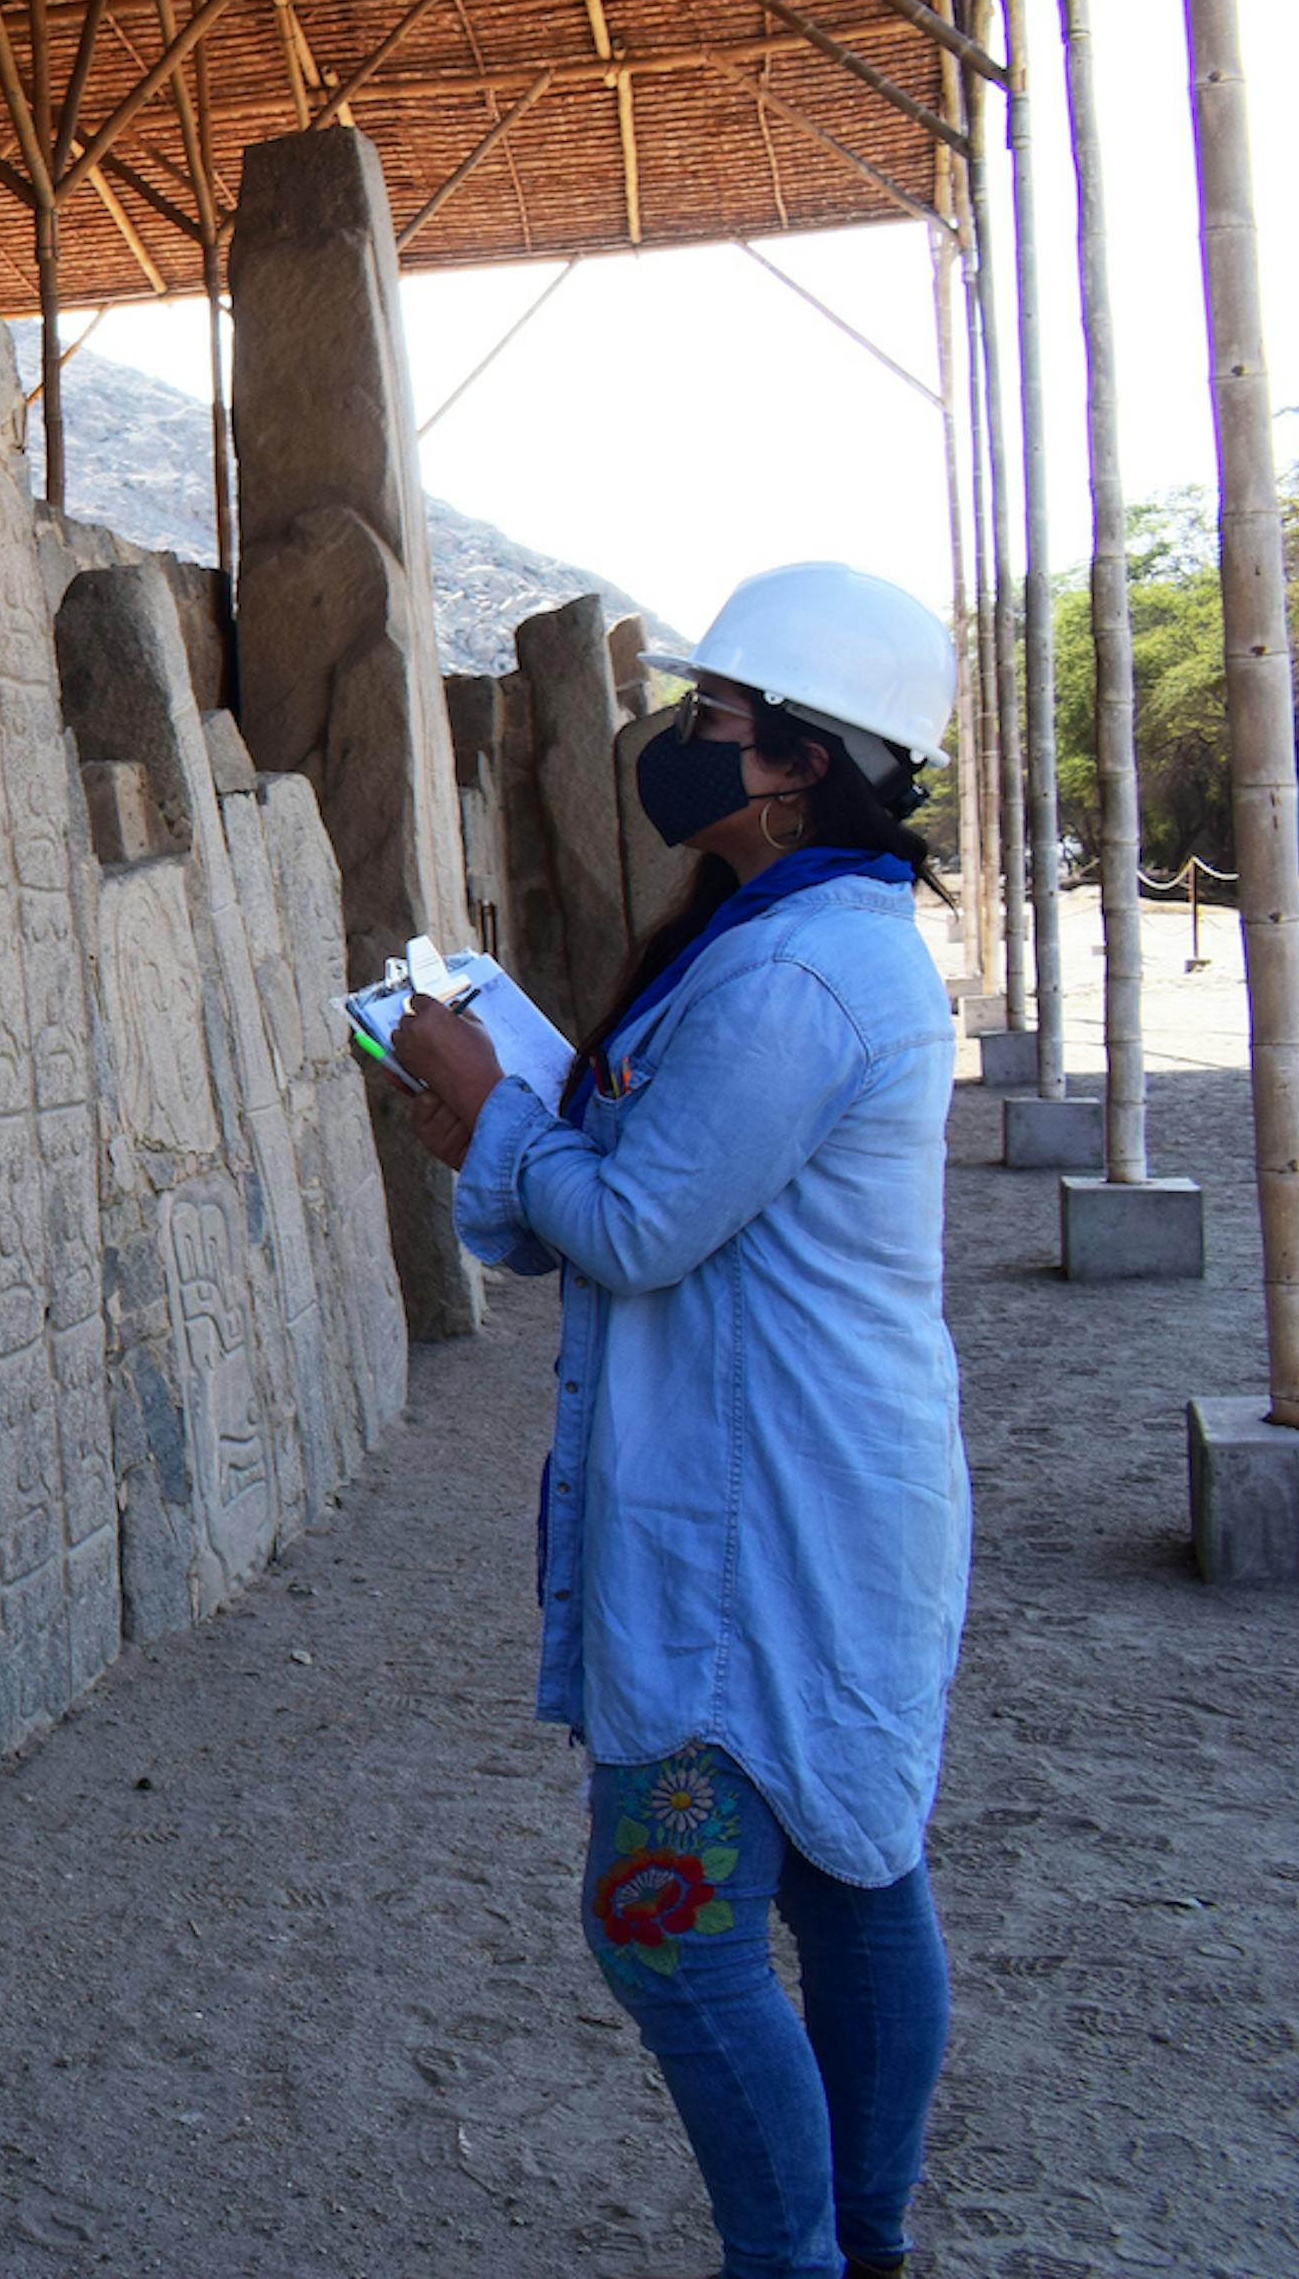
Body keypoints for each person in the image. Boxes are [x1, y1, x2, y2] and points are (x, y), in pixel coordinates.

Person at [383, 562, 968, 2279]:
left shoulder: (798, 978)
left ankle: (800, 2257)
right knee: (854, 1879)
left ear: (797, 764)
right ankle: (857, 2244)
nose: (678, 741)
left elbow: (637, 1225)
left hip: (763, 1521)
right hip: (792, 1489)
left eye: (713, 718)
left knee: (672, 1925)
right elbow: (637, 1179)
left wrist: (499, 1114)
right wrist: (500, 1129)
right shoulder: (782, 939)